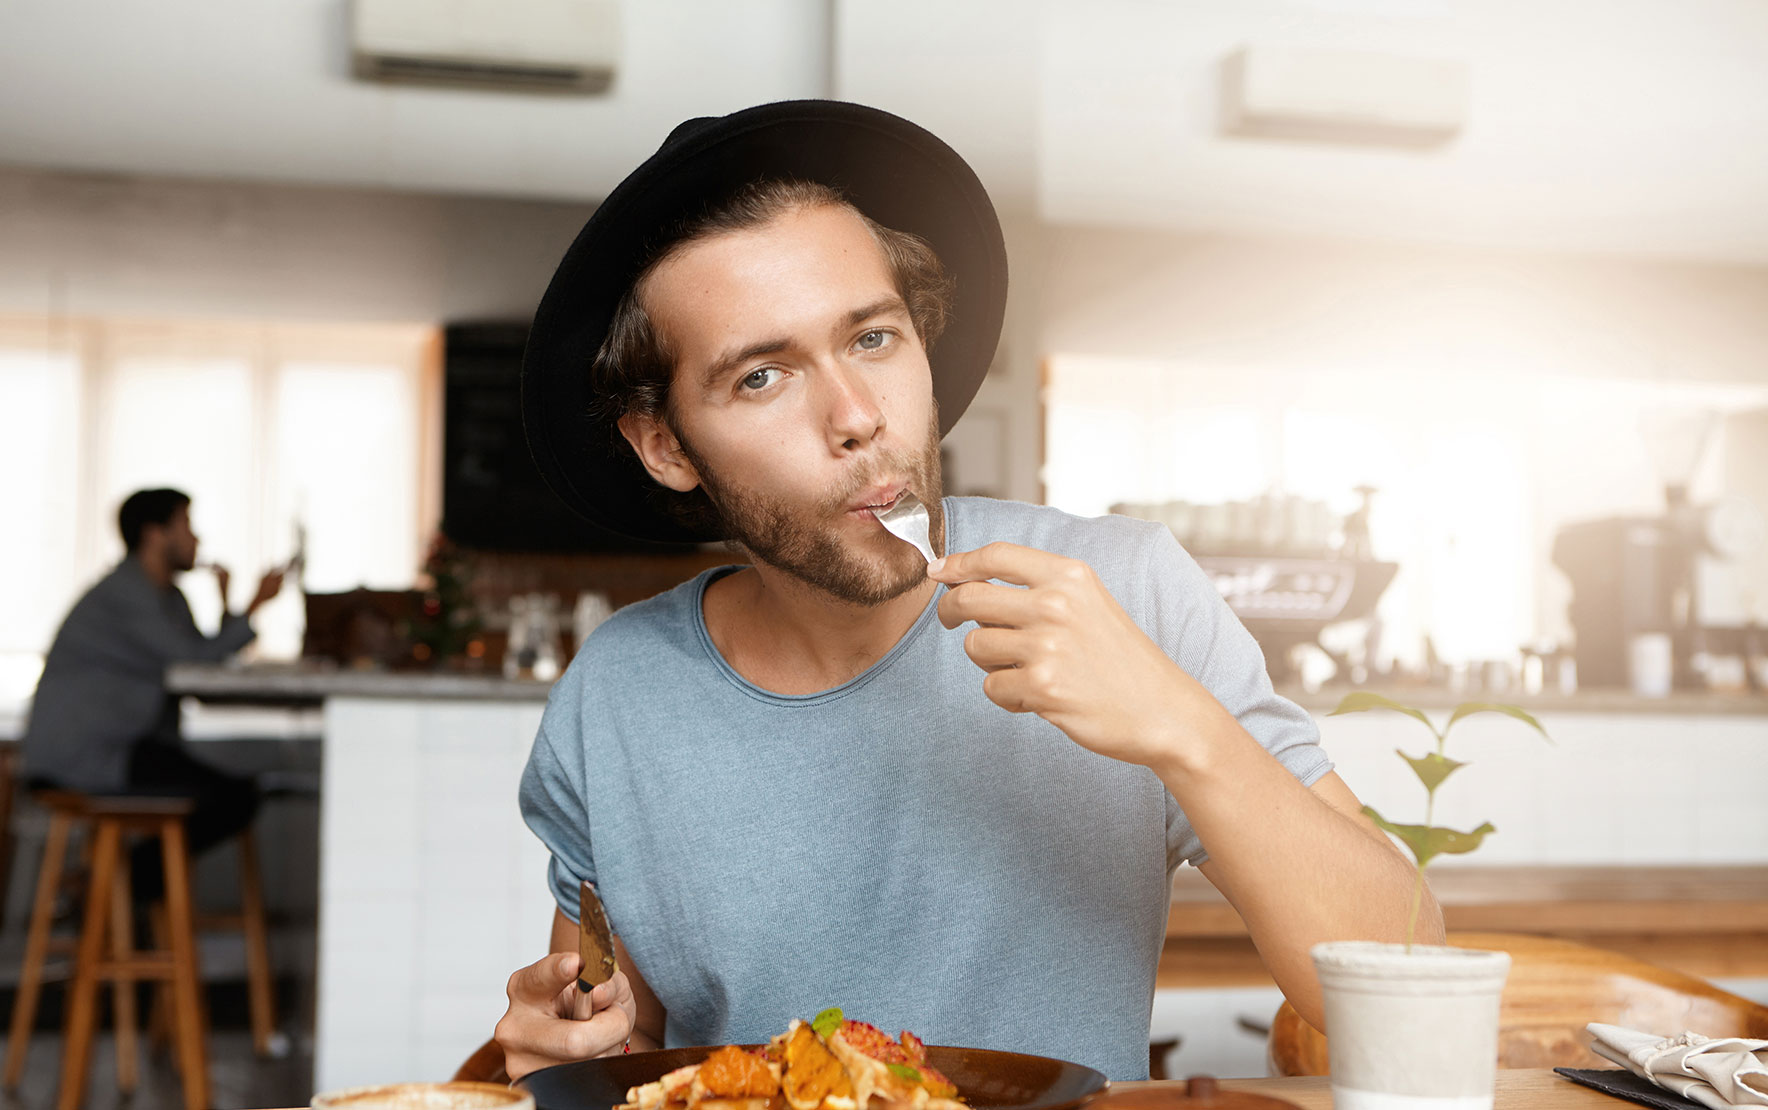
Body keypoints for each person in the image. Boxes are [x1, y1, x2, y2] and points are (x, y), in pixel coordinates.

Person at [496, 101, 1442, 1081]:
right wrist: (567, 1047)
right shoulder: (616, 693)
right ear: (664, 445)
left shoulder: (1129, 591)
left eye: (871, 340)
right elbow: (629, 1044)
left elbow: (1405, 992)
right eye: (763, 377)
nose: (858, 417)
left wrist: (1180, 727)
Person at [21, 487, 284, 898]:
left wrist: (229, 603)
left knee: (236, 795)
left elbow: (202, 661)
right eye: (187, 526)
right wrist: (254, 606)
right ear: (155, 534)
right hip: (86, 754)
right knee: (232, 798)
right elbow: (193, 661)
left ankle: (109, 891)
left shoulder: (169, 598)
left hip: (127, 746)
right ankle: (109, 890)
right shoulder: (126, 594)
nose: (197, 539)